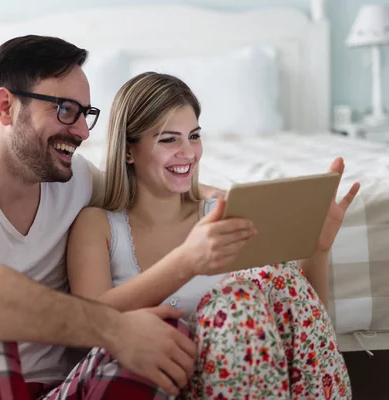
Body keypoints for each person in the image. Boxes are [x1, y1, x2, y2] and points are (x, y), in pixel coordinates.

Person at [0, 35, 224, 400]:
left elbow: (142, 182)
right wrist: (113, 328)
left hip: (57, 391)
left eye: (86, 114)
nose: (82, 131)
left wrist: (210, 195)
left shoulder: (76, 179)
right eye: (65, 110)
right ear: (5, 107)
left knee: (155, 337)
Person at [66, 71, 358, 399]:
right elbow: (84, 327)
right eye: (168, 139)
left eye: (194, 136)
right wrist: (186, 262)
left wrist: (318, 250)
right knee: (239, 302)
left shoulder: (223, 210)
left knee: (278, 278)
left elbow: (302, 326)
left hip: (252, 381)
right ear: (129, 150)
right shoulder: (98, 225)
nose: (188, 153)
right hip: (158, 382)